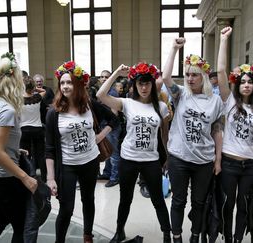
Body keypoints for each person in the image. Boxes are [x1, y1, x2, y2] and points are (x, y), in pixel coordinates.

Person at [97, 62, 172, 243]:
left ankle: (167, 235)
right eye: (140, 83)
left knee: (158, 200)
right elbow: (101, 95)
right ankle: (119, 231)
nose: (144, 87)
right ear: (135, 85)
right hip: (128, 159)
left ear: (152, 85)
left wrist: (168, 157)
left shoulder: (161, 107)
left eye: (147, 83)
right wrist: (117, 73)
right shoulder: (127, 104)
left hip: (151, 160)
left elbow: (164, 134)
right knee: (125, 199)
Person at [46, 61, 119, 243]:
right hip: (68, 166)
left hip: (90, 162)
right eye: (62, 83)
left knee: (88, 200)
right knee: (66, 208)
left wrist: (101, 135)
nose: (65, 86)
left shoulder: (89, 105)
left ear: (78, 84)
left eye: (69, 82)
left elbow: (114, 119)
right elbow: (49, 149)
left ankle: (88, 236)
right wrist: (50, 178)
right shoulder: (53, 113)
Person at [162, 38, 224, 243]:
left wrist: (217, 160)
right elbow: (166, 76)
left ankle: (195, 236)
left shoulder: (215, 101)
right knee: (178, 201)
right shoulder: (180, 96)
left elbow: (216, 130)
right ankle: (177, 236)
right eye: (187, 74)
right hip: (179, 158)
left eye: (194, 74)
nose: (190, 78)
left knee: (199, 202)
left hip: (204, 161)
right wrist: (173, 48)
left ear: (204, 77)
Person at [0, 53, 38, 242]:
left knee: (1, 219)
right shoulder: (7, 110)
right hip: (4, 180)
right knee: (21, 226)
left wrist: (11, 149)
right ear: (13, 79)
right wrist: (25, 177)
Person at [217, 27, 253, 243]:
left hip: (252, 165)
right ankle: (228, 237)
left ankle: (239, 238)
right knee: (228, 204)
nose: (247, 85)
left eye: (250, 82)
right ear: (237, 85)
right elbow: (220, 71)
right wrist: (223, 40)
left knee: (245, 205)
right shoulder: (229, 102)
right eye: (243, 82)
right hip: (229, 162)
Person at [20, 76, 47, 181]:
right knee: (40, 154)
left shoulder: (18, 99)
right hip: (37, 128)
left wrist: (26, 88)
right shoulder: (38, 97)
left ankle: (28, 175)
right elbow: (44, 90)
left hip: (24, 129)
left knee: (26, 154)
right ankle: (44, 177)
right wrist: (34, 88)